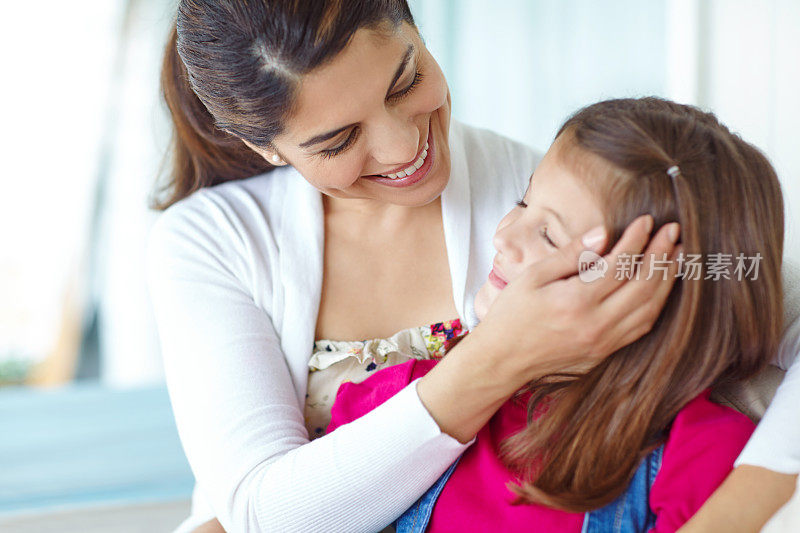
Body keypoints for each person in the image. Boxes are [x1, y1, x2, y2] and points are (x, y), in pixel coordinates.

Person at [146, 2, 795, 532]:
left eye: (405, 81)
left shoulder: (564, 193)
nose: (405, 146)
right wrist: (502, 355)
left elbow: (749, 294)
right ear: (265, 147)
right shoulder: (216, 240)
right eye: (339, 140)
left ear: (417, 26)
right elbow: (259, 514)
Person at [327, 97, 789, 532]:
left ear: (659, 300)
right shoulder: (420, 396)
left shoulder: (702, 455)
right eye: (522, 203)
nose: (503, 236)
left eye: (549, 235)